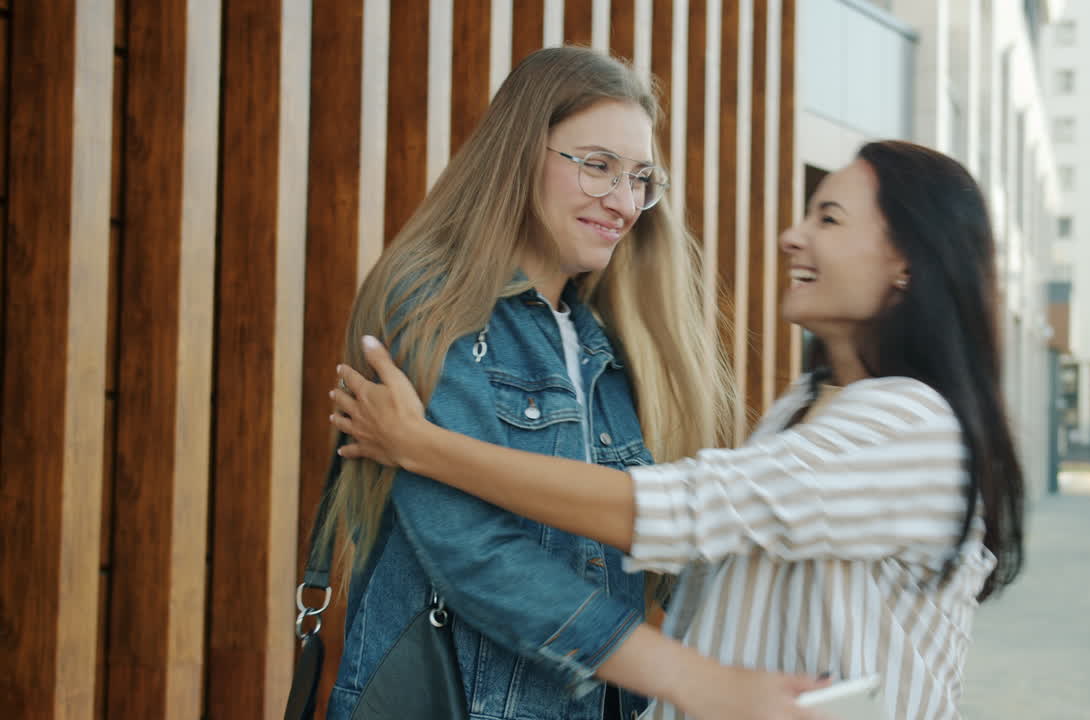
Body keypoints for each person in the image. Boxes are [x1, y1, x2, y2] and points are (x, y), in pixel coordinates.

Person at [331, 140, 1027, 719]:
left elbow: (685, 508)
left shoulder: (912, 426)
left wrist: (426, 448)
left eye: (830, 219)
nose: (793, 234)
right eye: (596, 166)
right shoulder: (806, 405)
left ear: (908, 262)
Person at [317, 46, 745, 720]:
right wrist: (672, 671)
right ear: (520, 154)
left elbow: (639, 532)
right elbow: (473, 553)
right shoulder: (433, 302)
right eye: (598, 166)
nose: (624, 201)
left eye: (640, 177)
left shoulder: (603, 341)